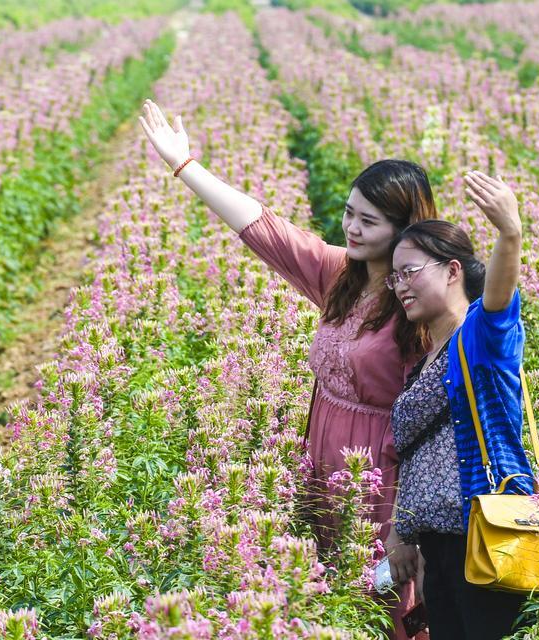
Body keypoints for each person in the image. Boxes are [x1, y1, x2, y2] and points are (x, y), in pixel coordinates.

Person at [139, 99, 433, 639]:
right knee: (317, 592)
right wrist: (184, 166)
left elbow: (445, 407)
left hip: (381, 472)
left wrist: (412, 522)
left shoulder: (420, 299)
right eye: (349, 213)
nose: (352, 228)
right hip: (320, 454)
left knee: (375, 597)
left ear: (405, 230)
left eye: (369, 221)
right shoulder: (338, 274)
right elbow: (262, 227)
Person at [384, 170, 531, 639]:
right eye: (395, 277)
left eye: (411, 272)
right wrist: (405, 535)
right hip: (439, 548)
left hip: (486, 536)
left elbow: (498, 304)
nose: (401, 285)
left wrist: (509, 233)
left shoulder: (479, 339)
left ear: (452, 271)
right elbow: (418, 457)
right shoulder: (423, 360)